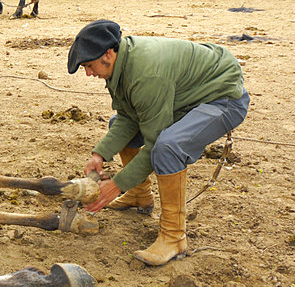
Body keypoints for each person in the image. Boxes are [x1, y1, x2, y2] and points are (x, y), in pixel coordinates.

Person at [68, 19, 249, 266]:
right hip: (186, 97)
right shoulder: (121, 64)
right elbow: (128, 117)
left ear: (109, 53)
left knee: (168, 146)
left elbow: (154, 144)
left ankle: (174, 237)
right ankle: (139, 196)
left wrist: (116, 184)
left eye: (89, 66)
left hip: (222, 98)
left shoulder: (145, 73)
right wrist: (100, 154)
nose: (89, 73)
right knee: (116, 124)